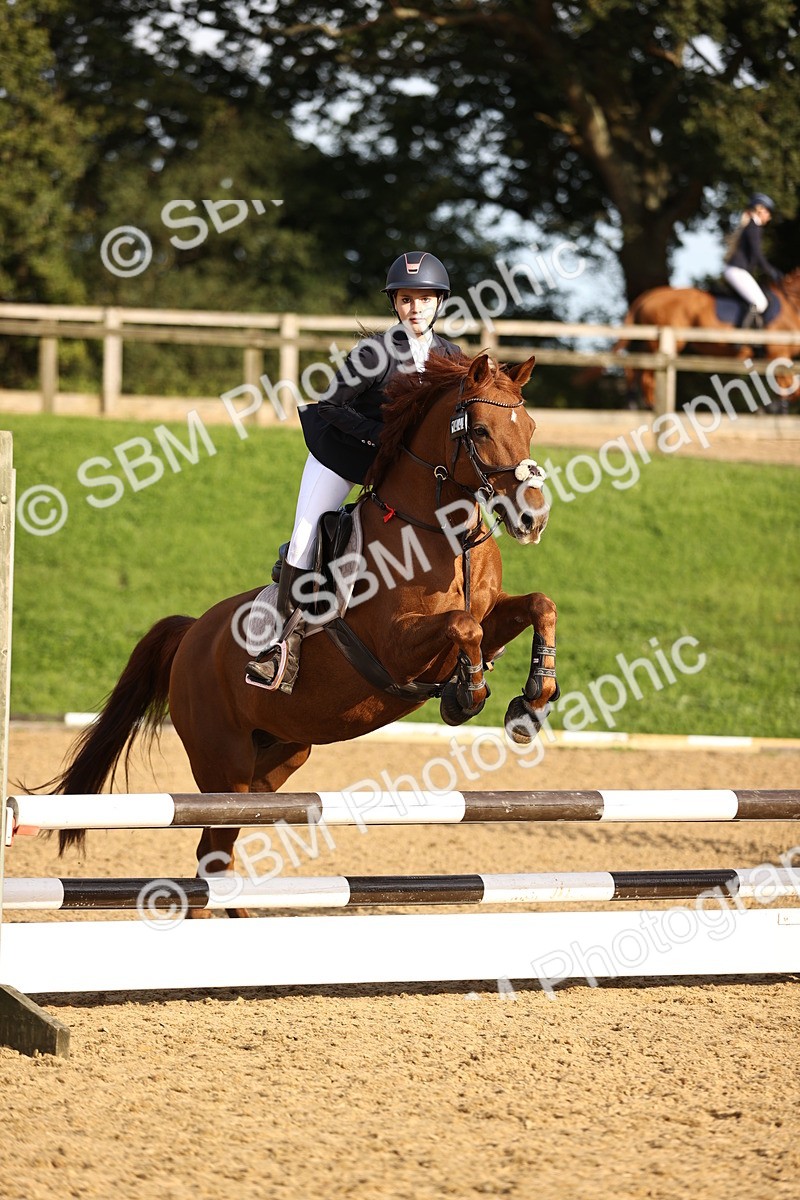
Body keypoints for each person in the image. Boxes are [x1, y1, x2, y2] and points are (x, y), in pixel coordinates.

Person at [246, 250, 462, 689]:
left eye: (424, 299)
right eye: (405, 299)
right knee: (304, 540)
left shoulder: (451, 354)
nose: (415, 308)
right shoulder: (374, 352)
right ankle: (279, 646)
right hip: (343, 456)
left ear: (439, 302)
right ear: (394, 304)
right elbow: (330, 406)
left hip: (399, 469)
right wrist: (382, 436)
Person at [723, 193, 783, 328]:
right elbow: (757, 254)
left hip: (736, 270)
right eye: (768, 212)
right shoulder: (754, 227)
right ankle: (743, 335)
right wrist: (770, 271)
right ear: (760, 209)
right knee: (761, 303)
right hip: (737, 270)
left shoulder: (751, 226)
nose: (769, 217)